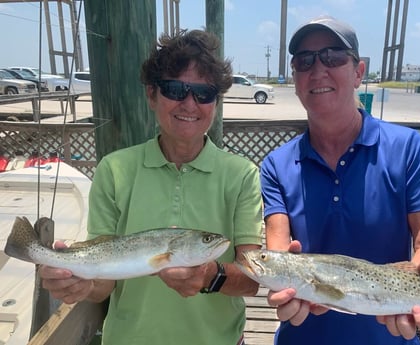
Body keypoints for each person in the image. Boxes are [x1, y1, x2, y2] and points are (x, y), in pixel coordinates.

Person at [39, 29, 263, 345]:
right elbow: (104, 278)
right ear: (151, 94)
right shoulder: (114, 169)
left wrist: (210, 276)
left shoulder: (243, 175)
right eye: (175, 89)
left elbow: (252, 281)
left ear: (215, 102)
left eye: (204, 93)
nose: (189, 103)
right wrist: (83, 284)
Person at [260, 16, 420, 345]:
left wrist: (419, 272)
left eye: (332, 56)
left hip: (392, 333)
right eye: (304, 61)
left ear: (359, 72)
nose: (318, 70)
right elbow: (279, 251)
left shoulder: (407, 148)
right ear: (295, 77)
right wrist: (287, 292)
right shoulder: (276, 165)